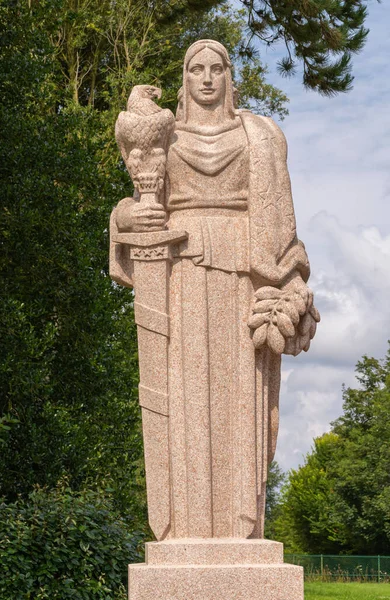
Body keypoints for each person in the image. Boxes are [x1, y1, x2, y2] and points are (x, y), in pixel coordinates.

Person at [114, 40, 315, 539]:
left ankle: (240, 527)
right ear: (184, 79)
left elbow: (282, 229)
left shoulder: (260, 136)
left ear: (230, 76)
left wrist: (291, 288)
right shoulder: (164, 138)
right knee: (183, 399)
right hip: (180, 276)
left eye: (216, 69)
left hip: (245, 279)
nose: (206, 78)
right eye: (196, 69)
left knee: (242, 399)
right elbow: (134, 208)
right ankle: (184, 528)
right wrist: (128, 216)